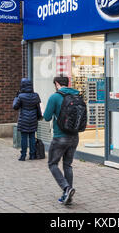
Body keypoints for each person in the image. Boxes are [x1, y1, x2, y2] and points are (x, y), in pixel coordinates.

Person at [43, 76, 80, 205]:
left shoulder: (55, 97)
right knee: (67, 165)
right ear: (67, 83)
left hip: (60, 137)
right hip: (74, 136)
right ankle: (67, 195)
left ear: (57, 84)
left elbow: (47, 117)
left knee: (52, 164)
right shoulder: (76, 95)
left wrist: (44, 109)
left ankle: (66, 188)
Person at [13, 78, 42, 161]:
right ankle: (32, 155)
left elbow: (15, 106)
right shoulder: (36, 95)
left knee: (24, 138)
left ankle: (23, 156)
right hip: (33, 119)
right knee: (32, 137)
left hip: (24, 119)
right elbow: (38, 107)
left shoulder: (21, 96)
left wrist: (16, 97)